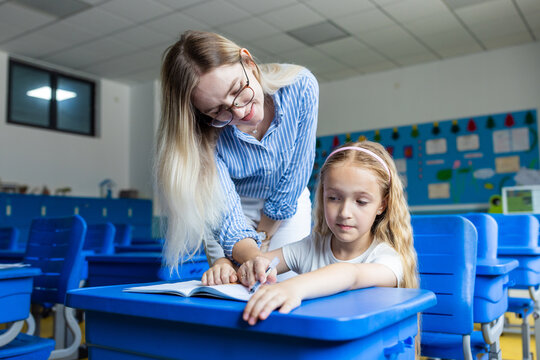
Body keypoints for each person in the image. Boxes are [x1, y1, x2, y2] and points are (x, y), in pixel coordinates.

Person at [155, 30, 319, 282]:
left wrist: (261, 243)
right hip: (226, 204)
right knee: (233, 283)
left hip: (287, 200)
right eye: (218, 110)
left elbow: (295, 175)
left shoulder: (301, 86)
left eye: (237, 89)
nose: (241, 112)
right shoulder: (203, 132)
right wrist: (242, 255)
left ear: (248, 62)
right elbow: (227, 216)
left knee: (287, 283)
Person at [237, 141, 419, 326]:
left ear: (382, 204)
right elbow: (260, 264)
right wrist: (229, 267)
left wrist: (294, 287)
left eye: (361, 201)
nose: (345, 212)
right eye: (333, 198)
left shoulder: (388, 261)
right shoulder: (312, 246)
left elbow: (351, 275)